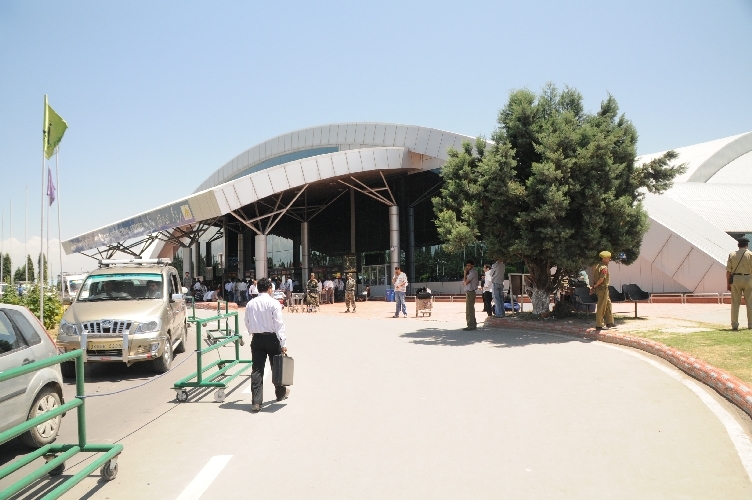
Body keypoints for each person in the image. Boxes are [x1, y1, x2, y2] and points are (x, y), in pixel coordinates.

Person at [244, 277, 289, 412]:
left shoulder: (250, 304)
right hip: (272, 338)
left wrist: (253, 331)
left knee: (257, 370)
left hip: (257, 339)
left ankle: (256, 402)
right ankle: (280, 393)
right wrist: (283, 343)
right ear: (270, 288)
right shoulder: (274, 303)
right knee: (277, 367)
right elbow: (279, 324)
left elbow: (247, 322)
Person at [727, 237, 752, 331]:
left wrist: (728, 283)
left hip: (736, 279)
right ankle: (751, 324)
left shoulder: (732, 254)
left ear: (738, 245)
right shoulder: (750, 254)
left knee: (735, 303)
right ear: (747, 245)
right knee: (750, 302)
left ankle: (734, 324)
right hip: (748, 278)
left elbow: (728, 271)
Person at [591, 251, 615, 330]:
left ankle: (610, 322)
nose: (609, 259)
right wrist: (595, 286)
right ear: (604, 258)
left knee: (608, 305)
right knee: (601, 306)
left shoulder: (598, 266)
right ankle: (599, 325)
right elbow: (601, 279)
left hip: (603, 288)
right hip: (602, 288)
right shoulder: (604, 268)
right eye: (608, 258)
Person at [462, 260, 478, 330]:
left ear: (472, 266)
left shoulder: (472, 273)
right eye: (467, 266)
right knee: (470, 308)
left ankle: (470, 325)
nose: (467, 267)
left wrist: (465, 273)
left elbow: (465, 282)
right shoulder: (471, 272)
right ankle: (473, 323)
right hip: (470, 292)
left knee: (469, 309)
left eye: (469, 265)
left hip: (470, 292)